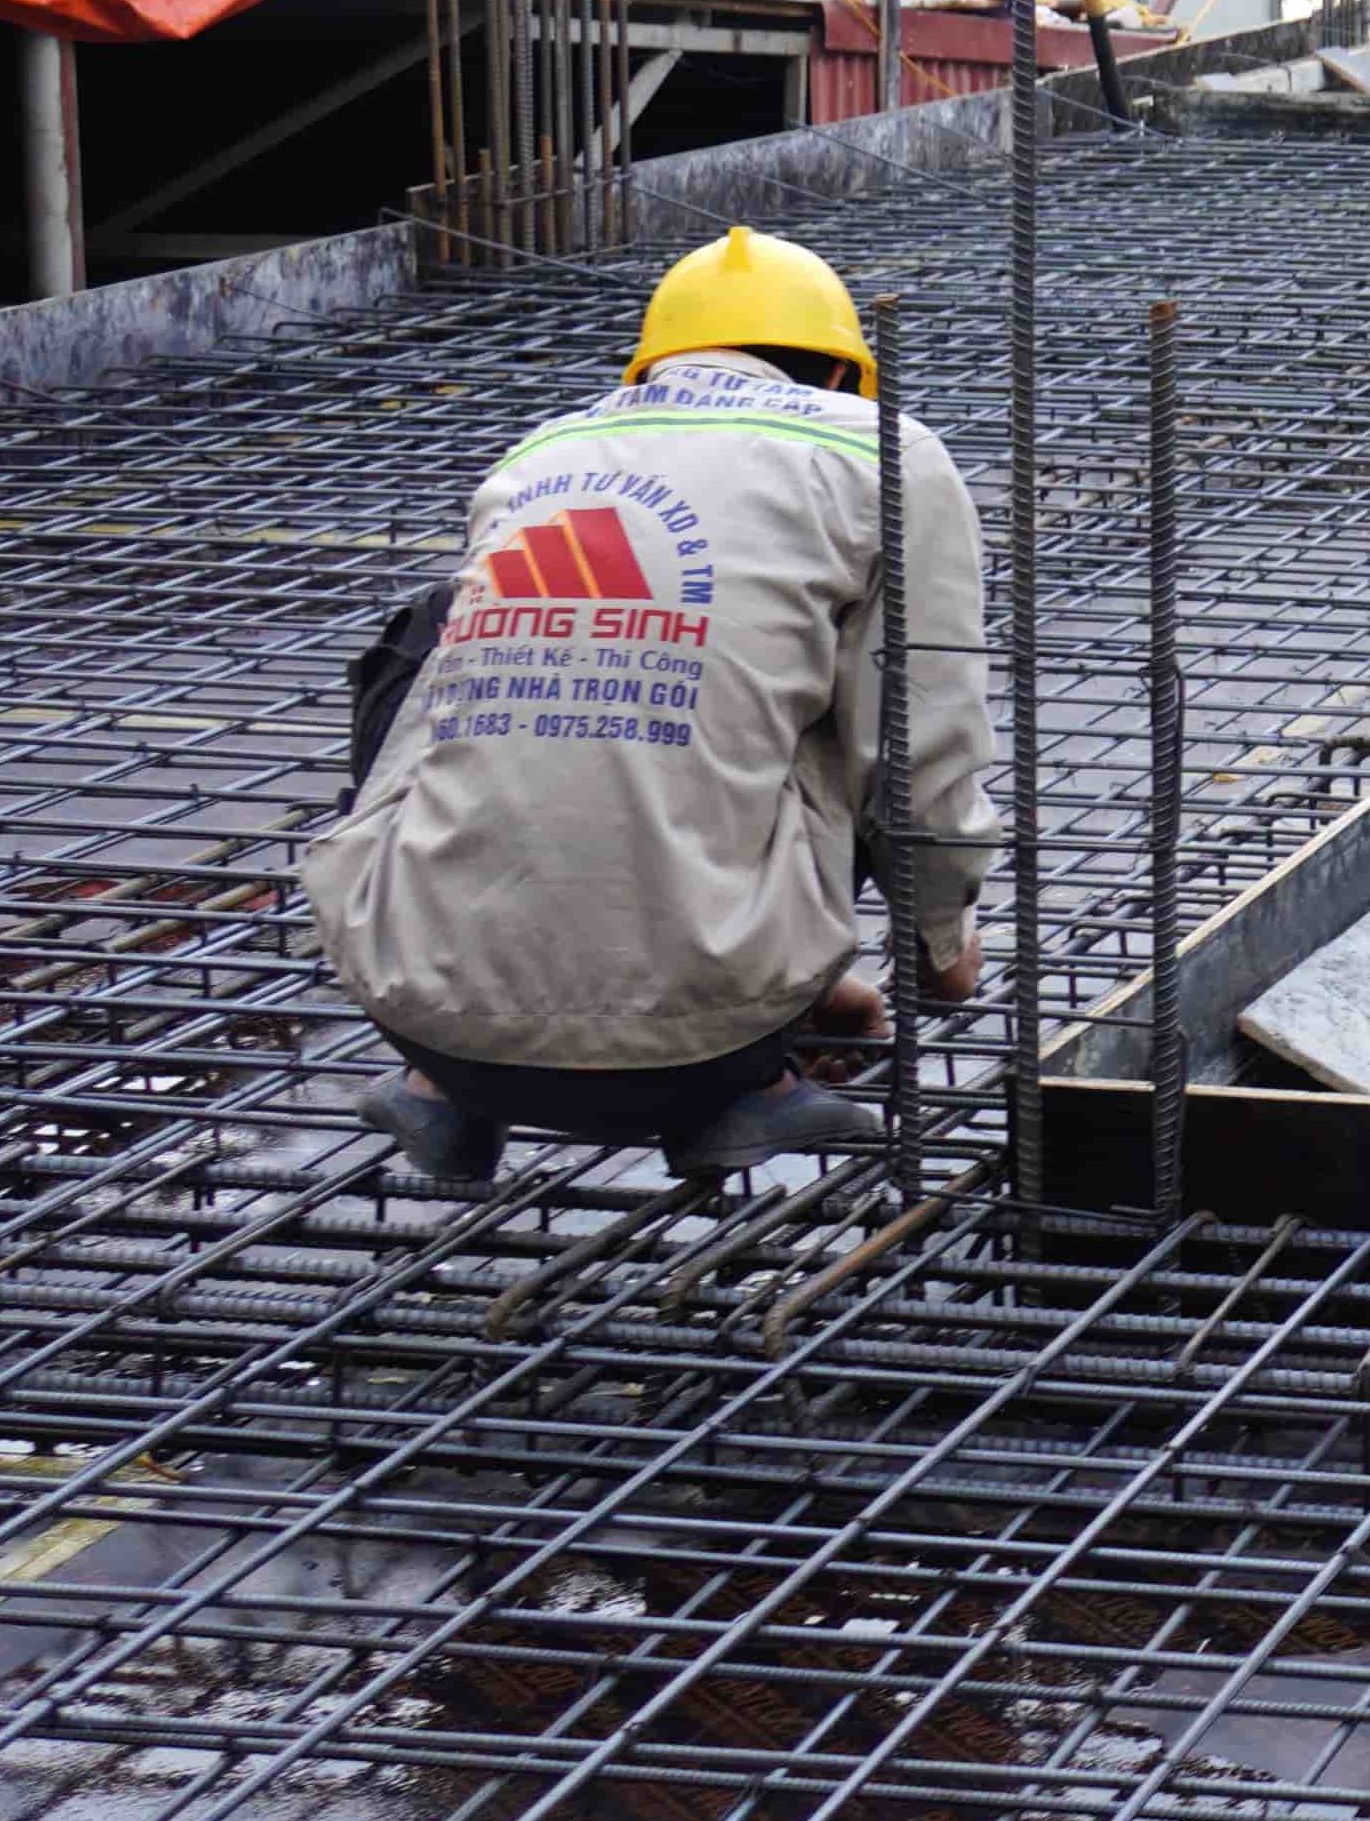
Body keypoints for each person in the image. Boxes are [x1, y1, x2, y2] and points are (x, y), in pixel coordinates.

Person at [307, 227, 999, 1193]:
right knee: (840, 691)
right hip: (707, 1043)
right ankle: (745, 1086)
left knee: (449, 641)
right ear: (845, 375)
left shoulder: (545, 450)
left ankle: (442, 1088)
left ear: (654, 364)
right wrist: (940, 949)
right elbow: (923, 744)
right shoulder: (882, 453)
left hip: (418, 1006)